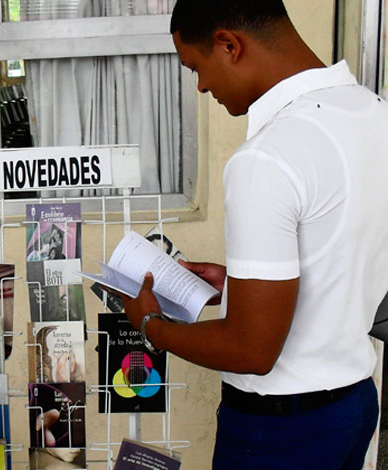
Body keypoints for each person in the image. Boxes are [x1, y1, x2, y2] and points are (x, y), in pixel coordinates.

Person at [121, 1, 388, 469]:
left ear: (229, 44)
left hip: (282, 431)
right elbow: (339, 253)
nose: (202, 87)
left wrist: (151, 326)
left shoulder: (266, 157)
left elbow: (252, 350)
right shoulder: (372, 113)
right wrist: (238, 283)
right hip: (355, 406)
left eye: (197, 68)